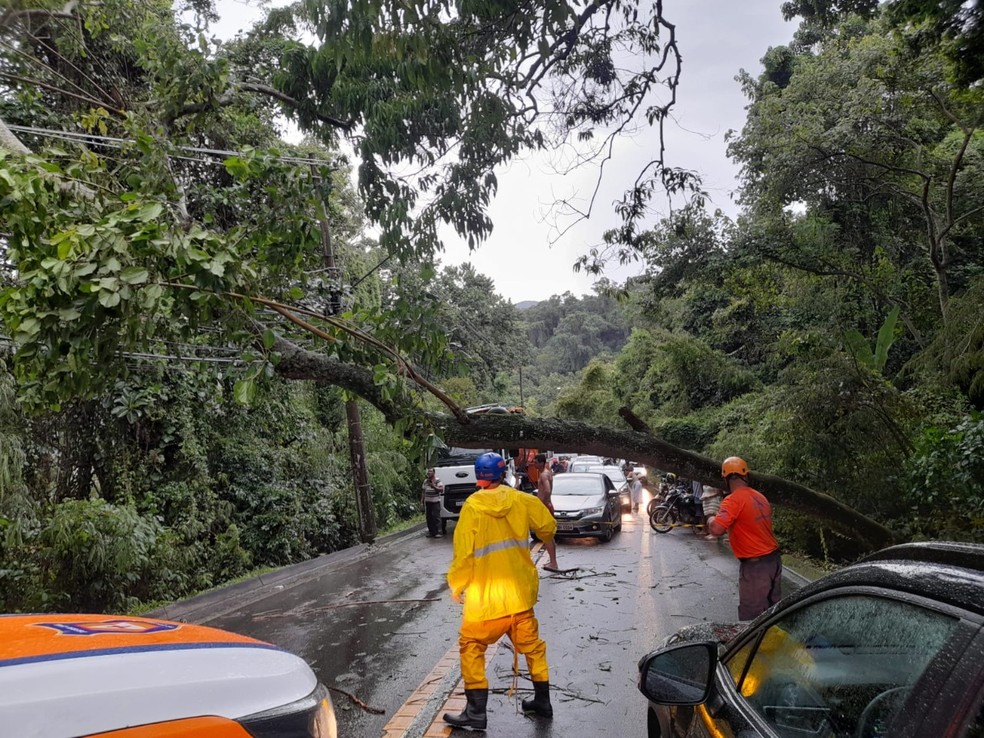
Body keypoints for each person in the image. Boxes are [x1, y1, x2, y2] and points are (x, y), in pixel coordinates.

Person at [444, 452, 558, 729]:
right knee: (532, 648)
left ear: (478, 476)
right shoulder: (521, 499)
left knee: (471, 646)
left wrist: (456, 585)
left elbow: (463, 554)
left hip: (486, 602)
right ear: (502, 473)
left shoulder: (472, 507)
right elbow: (548, 527)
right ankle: (542, 701)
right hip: (519, 596)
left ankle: (475, 711)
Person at [706, 457, 782, 620]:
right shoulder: (760, 497)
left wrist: (710, 517)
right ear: (746, 476)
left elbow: (717, 529)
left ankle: (753, 645)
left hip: (756, 567)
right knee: (774, 612)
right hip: (774, 561)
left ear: (726, 478)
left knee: (751, 617)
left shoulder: (733, 500)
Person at [535, 453, 561, 571]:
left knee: (547, 536)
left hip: (545, 506)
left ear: (541, 463)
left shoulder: (544, 475)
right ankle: (552, 561)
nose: (534, 464)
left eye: (535, 462)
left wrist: (543, 503)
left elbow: (547, 490)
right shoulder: (546, 473)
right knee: (548, 535)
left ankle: (553, 563)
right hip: (547, 505)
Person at [421, 468, 444, 538]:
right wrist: (421, 502)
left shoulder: (437, 480)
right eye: (428, 472)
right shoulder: (425, 481)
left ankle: (439, 532)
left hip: (435, 501)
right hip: (428, 502)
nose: (429, 473)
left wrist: (433, 486)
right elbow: (423, 492)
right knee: (429, 517)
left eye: (430, 471)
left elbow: (441, 489)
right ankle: (431, 531)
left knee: (436, 517)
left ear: (434, 472)